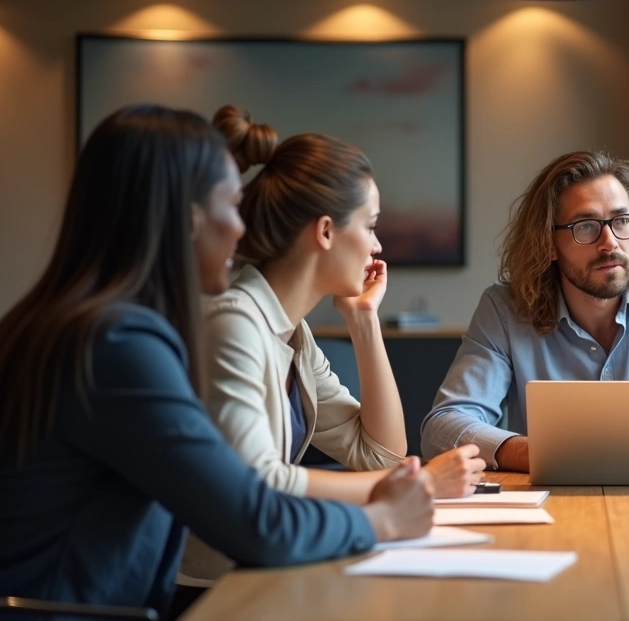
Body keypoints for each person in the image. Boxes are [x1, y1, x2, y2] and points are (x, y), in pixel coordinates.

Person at [0, 104, 433, 617]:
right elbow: (256, 520)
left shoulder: (68, 322)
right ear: (187, 219)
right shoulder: (121, 344)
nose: (239, 229)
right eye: (231, 204)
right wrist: (384, 518)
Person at [177, 106, 484, 588]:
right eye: (370, 225)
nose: (377, 246)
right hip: (211, 594)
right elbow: (259, 485)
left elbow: (381, 456)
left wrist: (363, 321)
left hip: (265, 577)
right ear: (324, 232)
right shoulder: (234, 324)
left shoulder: (292, 333)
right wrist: (415, 486)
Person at [421, 150, 629, 471]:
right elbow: (443, 427)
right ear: (548, 243)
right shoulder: (504, 309)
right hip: (553, 509)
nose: (610, 242)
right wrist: (541, 454)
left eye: (621, 221)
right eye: (585, 226)